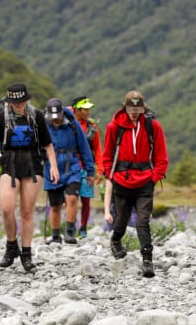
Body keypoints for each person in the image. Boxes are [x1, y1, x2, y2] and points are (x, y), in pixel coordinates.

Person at [0, 83, 59, 272]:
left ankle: (26, 254)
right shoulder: (1, 117)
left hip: (32, 164)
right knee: (6, 208)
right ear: (10, 101)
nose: (18, 105)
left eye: (21, 102)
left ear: (27, 100)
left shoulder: (36, 116)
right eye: (15, 102)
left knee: (27, 212)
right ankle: (12, 247)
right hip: (9, 163)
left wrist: (54, 167)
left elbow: (48, 145)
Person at [101, 90, 169, 278]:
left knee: (142, 221)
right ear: (125, 107)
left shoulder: (153, 126)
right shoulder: (114, 127)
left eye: (137, 109)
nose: (133, 112)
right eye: (131, 108)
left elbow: (162, 156)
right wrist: (111, 176)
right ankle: (115, 240)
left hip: (145, 181)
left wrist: (154, 177)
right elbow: (106, 156)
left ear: (143, 108)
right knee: (121, 220)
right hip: (122, 181)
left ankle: (147, 259)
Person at [43, 98, 95, 245]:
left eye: (58, 117)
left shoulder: (73, 125)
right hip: (51, 168)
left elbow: (84, 148)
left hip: (72, 166)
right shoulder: (43, 126)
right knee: (55, 205)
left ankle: (70, 232)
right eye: (53, 118)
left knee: (72, 198)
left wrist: (90, 171)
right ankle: (55, 235)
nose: (56, 120)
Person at [71, 96, 102, 238]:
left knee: (86, 199)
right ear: (77, 110)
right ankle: (70, 226)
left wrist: (100, 170)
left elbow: (98, 149)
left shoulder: (92, 127)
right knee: (70, 198)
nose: (88, 112)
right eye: (85, 109)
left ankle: (83, 228)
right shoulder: (67, 123)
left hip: (86, 168)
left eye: (89, 109)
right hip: (70, 167)